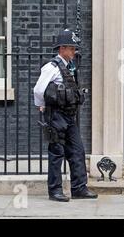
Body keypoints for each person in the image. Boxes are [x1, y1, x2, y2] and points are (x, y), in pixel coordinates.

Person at [33, 29, 97, 202]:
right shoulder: (51, 67)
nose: (74, 52)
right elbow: (38, 89)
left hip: (69, 116)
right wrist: (41, 105)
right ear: (62, 48)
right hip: (56, 116)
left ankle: (79, 188)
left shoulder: (69, 67)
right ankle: (55, 191)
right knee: (57, 153)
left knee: (77, 151)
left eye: (74, 49)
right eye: (71, 48)